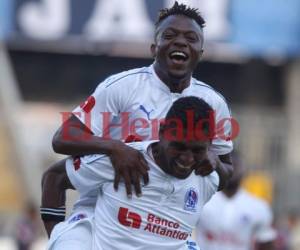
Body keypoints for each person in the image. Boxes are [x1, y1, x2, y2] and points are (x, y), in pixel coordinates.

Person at [41, 1, 234, 248]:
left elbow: (225, 173)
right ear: (154, 47)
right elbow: (62, 139)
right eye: (170, 36)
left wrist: (214, 160)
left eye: (191, 38)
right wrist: (115, 148)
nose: (180, 42)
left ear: (201, 52)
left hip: (165, 222)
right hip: (104, 207)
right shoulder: (123, 86)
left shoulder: (214, 103)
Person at [43, 97, 233, 250]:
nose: (187, 158)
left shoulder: (206, 178)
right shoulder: (124, 160)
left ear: (210, 146)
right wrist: (57, 237)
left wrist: (216, 162)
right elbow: (54, 177)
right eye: (178, 147)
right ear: (162, 131)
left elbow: (225, 179)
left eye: (197, 150)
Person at [195, 152, 276, 250]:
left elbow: (266, 242)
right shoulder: (201, 199)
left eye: (236, 165)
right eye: (227, 165)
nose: (232, 170)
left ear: (244, 169)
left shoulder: (259, 206)